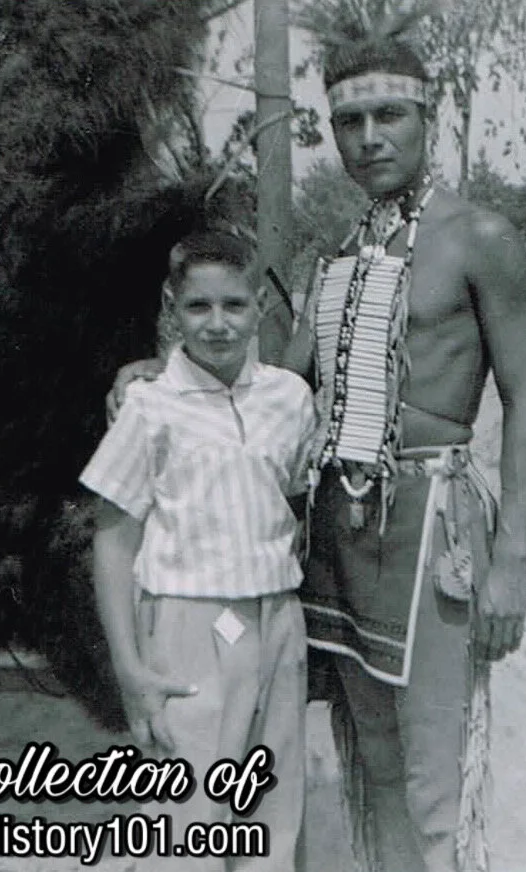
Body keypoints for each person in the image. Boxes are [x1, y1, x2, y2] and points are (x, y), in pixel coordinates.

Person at [108, 8, 526, 869]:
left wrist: (513, 562)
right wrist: (155, 374)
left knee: (431, 776)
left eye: (389, 117)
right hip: (338, 543)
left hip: (431, 534)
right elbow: (277, 383)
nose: (369, 137)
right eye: (349, 121)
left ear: (427, 115)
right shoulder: (340, 254)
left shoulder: (479, 239)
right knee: (371, 762)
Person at [84, 232, 316, 872]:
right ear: (171, 306)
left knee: (272, 823)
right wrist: (130, 668)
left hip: (275, 621)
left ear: (261, 308)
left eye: (234, 306)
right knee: (185, 830)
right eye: (198, 307)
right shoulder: (149, 404)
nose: (217, 325)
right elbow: (113, 538)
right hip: (187, 626)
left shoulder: (289, 399)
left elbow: (289, 498)